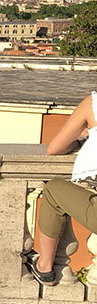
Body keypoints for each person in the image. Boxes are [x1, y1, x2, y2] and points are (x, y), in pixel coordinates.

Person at [25, 91, 97, 285]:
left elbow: (54, 148)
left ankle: (44, 266)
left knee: (54, 191)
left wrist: (84, 141)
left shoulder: (93, 104)